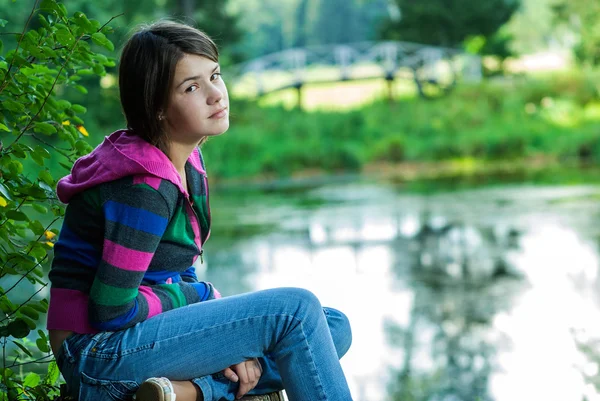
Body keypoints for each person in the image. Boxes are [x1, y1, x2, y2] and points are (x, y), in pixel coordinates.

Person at [46, 20, 353, 401]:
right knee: (296, 312)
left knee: (332, 325)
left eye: (215, 76)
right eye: (191, 87)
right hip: (96, 354)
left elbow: (177, 263)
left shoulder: (187, 161)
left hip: (140, 336)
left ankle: (188, 391)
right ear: (157, 107)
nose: (216, 95)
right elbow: (110, 311)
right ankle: (197, 389)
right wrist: (200, 296)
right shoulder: (144, 188)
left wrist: (221, 332)